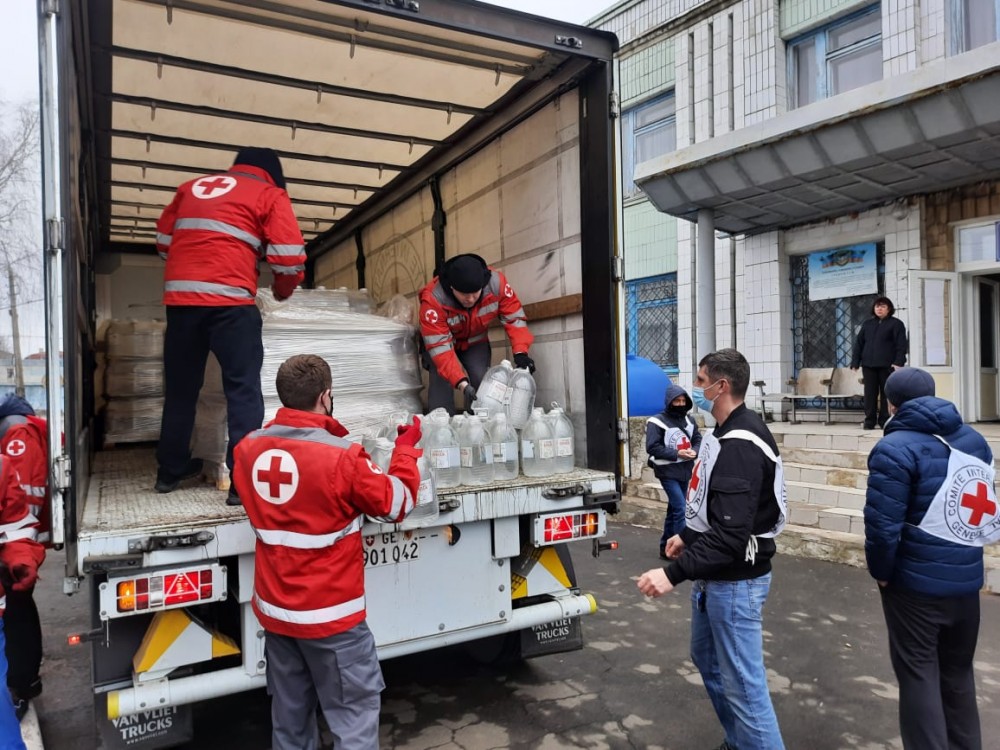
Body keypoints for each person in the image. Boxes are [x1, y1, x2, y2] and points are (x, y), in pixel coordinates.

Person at [232, 354, 422, 750]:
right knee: (352, 720)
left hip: (278, 617)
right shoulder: (342, 457)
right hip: (334, 621)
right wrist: (405, 451)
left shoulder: (247, 451)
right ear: (326, 396)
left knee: (289, 722)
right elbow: (397, 504)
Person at [637, 348, 787, 750]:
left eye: (701, 381)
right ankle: (741, 741)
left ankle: (753, 741)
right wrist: (686, 533)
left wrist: (670, 575)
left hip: (736, 582)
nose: (695, 389)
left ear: (722, 386)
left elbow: (730, 536)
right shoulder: (722, 433)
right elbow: (715, 505)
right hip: (716, 578)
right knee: (709, 660)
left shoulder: (741, 443)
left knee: (745, 689)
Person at [154, 147, 306, 505]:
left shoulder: (190, 188)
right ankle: (242, 483)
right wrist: (282, 292)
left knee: (179, 392)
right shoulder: (269, 194)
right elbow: (288, 257)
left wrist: (194, 263)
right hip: (231, 305)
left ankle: (168, 473)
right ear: (273, 173)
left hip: (181, 305)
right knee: (242, 391)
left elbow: (163, 244)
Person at [864, 367, 997, 749]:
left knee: (919, 675)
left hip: (914, 587)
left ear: (890, 403)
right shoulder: (975, 440)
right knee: (958, 676)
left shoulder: (894, 448)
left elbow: (882, 526)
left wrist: (882, 573)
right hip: (966, 582)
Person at [418, 253, 534, 413]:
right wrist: (462, 384)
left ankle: (477, 427)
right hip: (441, 347)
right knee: (442, 384)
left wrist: (521, 352)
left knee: (481, 382)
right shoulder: (433, 299)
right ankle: (442, 429)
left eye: (475, 293)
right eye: (465, 295)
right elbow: (441, 350)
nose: (471, 299)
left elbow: (514, 319)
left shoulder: (496, 284)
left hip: (475, 342)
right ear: (451, 287)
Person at [0, 395, 48, 720]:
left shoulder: (16, 441)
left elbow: (20, 512)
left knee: (19, 620)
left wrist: (23, 556)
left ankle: (23, 684)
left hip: (10, 567)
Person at [645, 383, 700, 560]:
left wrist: (695, 451)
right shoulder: (656, 421)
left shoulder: (689, 420)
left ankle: (665, 548)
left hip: (685, 470)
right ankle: (681, 551)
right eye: (677, 400)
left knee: (674, 509)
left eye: (683, 400)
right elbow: (652, 447)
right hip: (667, 471)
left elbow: (698, 438)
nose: (681, 403)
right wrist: (677, 453)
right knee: (681, 509)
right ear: (669, 402)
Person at [850, 296, 907, 430]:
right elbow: (859, 344)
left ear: (889, 309)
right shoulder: (867, 324)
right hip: (869, 365)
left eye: (882, 306)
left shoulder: (896, 324)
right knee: (870, 394)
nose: (879, 309)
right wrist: (855, 362)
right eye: (877, 306)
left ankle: (884, 420)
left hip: (887, 365)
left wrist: (898, 362)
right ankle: (869, 421)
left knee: (886, 393)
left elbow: (901, 345)